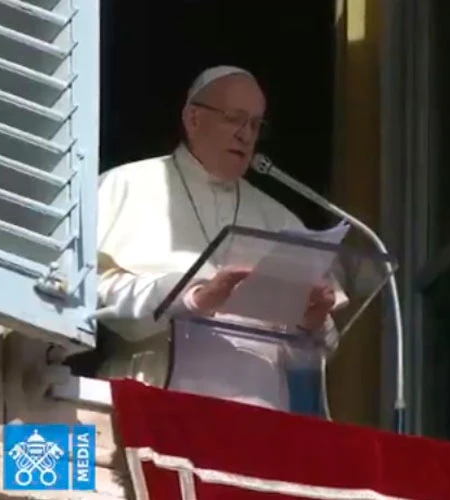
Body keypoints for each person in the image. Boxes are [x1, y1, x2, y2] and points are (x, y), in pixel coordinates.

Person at [95, 66, 345, 408]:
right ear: (193, 118)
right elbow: (97, 299)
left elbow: (306, 359)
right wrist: (193, 297)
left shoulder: (280, 219)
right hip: (153, 402)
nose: (246, 134)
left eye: (256, 125)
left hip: (259, 422)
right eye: (234, 119)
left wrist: (311, 324)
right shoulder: (125, 186)